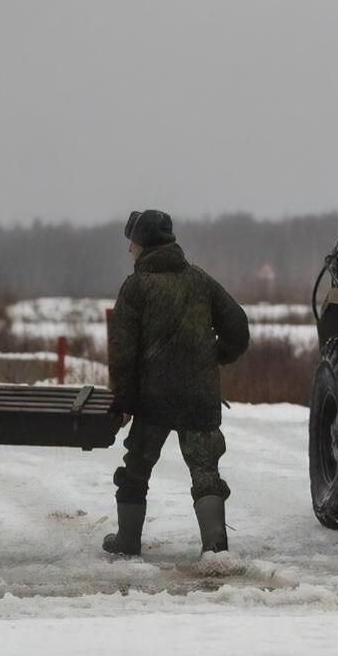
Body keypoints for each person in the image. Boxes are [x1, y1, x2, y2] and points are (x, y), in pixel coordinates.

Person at [103, 209, 249, 556]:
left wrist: (124, 403)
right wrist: (215, 356)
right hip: (199, 397)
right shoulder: (200, 280)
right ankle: (215, 546)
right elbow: (238, 329)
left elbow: (122, 353)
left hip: (153, 401)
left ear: (144, 244)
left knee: (136, 468)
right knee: (206, 472)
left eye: (133, 243)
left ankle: (127, 542)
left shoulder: (136, 288)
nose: (129, 250)